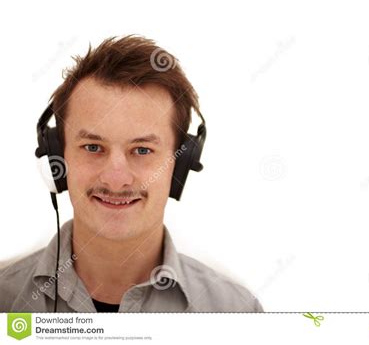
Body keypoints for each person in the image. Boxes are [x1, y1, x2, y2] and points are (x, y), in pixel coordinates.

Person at [0, 35, 263, 313]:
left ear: (181, 162)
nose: (116, 178)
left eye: (142, 150)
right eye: (93, 147)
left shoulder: (235, 312)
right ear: (57, 155)